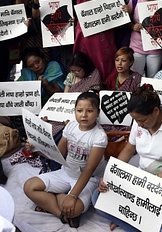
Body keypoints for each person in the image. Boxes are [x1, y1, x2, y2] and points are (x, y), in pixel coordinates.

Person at [94, 85, 162, 232]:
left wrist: (153, 182)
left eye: (142, 120)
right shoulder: (139, 121)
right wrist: (110, 175)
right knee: (98, 198)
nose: (139, 124)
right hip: (141, 180)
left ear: (156, 112)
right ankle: (141, 225)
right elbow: (128, 149)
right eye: (136, 120)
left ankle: (135, 224)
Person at [24, 92, 107, 228]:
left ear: (98, 112)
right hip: (66, 172)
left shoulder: (99, 136)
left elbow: (89, 169)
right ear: (74, 111)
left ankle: (53, 199)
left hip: (89, 179)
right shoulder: (71, 126)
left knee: (74, 209)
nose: (84, 115)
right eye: (79, 110)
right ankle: (62, 215)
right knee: (29, 186)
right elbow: (57, 154)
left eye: (90, 111)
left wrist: (73, 196)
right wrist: (35, 148)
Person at [58, 0, 117, 79]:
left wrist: (125, 9)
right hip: (85, 41)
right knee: (82, 70)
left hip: (105, 42)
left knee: (104, 72)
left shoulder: (114, 0)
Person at [127, 0, 162, 78]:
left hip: (156, 48)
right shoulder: (135, 0)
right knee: (135, 78)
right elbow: (126, 21)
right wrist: (133, 26)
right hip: (137, 46)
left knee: (153, 78)